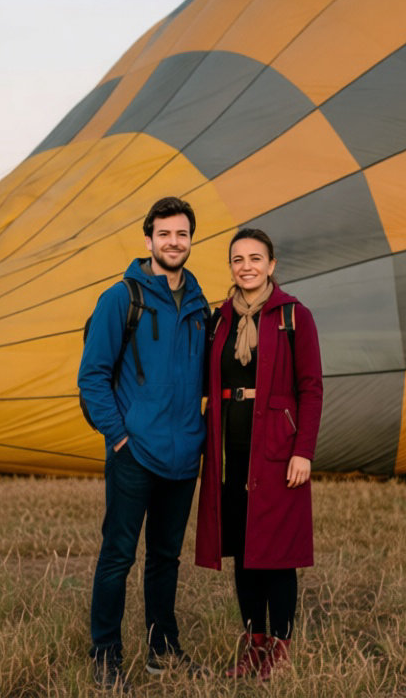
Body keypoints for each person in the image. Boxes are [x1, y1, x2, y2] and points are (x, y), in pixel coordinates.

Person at [78, 196, 211, 691]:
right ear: (149, 238)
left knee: (165, 558)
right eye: (164, 234)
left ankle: (162, 650)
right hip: (135, 453)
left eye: (182, 234)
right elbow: (92, 377)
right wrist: (118, 437)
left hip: (183, 456)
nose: (173, 242)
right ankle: (106, 654)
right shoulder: (121, 298)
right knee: (118, 555)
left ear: (191, 240)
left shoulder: (201, 307)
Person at [194, 227, 323, 680]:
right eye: (237, 259)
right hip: (231, 453)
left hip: (277, 452)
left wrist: (302, 450)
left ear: (272, 265)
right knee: (244, 553)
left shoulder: (294, 316)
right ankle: (255, 645)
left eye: (255, 258)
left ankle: (280, 652)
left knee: (278, 556)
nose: (245, 266)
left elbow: (311, 388)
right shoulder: (220, 319)